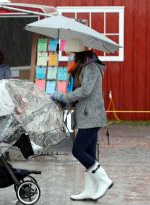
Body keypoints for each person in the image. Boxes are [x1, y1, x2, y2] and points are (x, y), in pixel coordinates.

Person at [51, 38, 113, 201]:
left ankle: (104, 180)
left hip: (91, 115)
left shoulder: (91, 67)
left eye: (70, 54)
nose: (69, 57)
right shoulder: (82, 67)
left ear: (77, 53)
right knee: (89, 153)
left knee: (78, 151)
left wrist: (64, 97)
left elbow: (85, 91)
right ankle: (90, 190)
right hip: (86, 115)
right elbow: (79, 91)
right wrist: (65, 100)